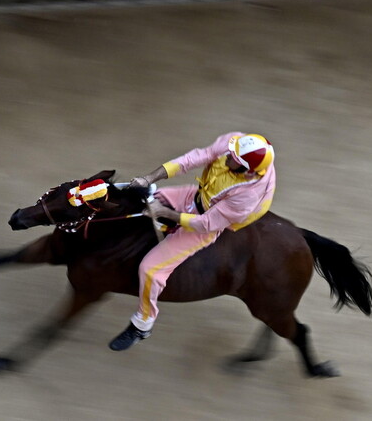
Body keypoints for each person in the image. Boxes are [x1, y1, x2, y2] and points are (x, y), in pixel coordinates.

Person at [113, 131, 276, 351]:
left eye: (233, 160)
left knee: (150, 269)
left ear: (247, 170)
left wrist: (164, 212)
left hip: (208, 220)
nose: (227, 157)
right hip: (195, 196)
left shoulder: (246, 196)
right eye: (230, 152)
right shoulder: (234, 143)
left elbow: (207, 223)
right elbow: (194, 158)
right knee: (141, 200)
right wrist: (149, 178)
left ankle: (142, 324)